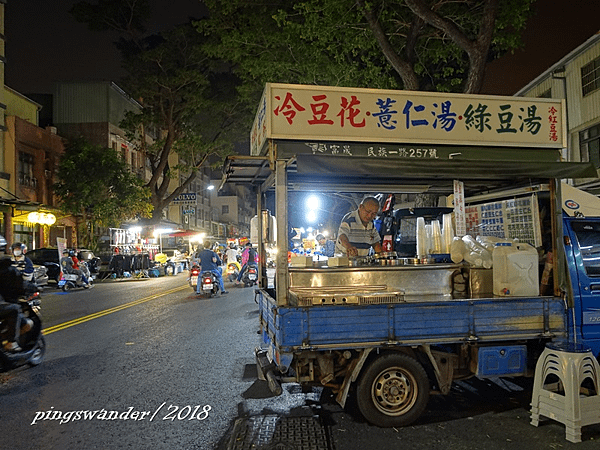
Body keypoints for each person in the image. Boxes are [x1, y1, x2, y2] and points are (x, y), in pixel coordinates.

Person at [0, 256, 25, 352]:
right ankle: (11, 342)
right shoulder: (11, 271)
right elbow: (21, 286)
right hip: (5, 303)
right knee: (15, 309)